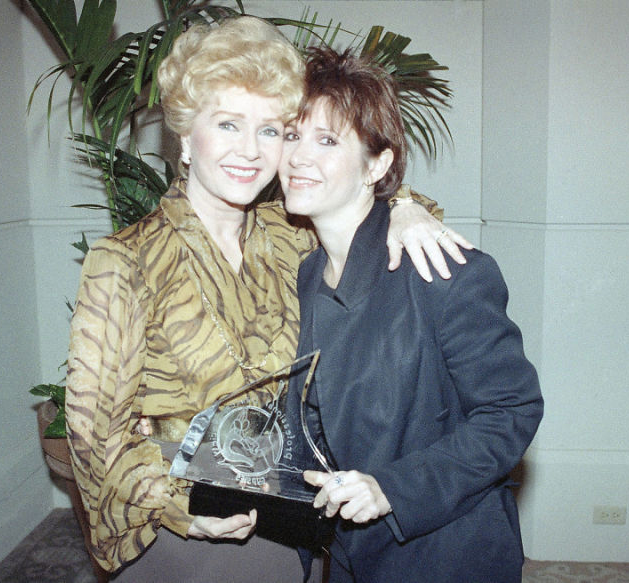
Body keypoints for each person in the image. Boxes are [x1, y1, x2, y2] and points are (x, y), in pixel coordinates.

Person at [65, 16, 471, 582]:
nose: (250, 151)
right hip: (186, 530)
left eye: (271, 130)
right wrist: (178, 510)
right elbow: (91, 431)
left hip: (289, 521)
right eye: (228, 124)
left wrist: (405, 206)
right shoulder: (126, 260)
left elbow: (366, 189)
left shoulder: (289, 234)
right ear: (185, 135)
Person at [281, 47, 544, 582]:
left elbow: (511, 411)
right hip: (351, 549)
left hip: (447, 550)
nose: (298, 157)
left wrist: (392, 489)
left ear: (377, 164)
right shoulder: (310, 273)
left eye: (327, 140)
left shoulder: (443, 269)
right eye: (291, 136)